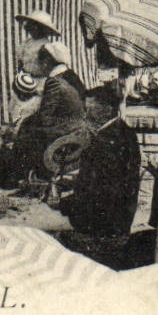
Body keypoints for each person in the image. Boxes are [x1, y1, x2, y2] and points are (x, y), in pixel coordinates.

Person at [61, 83, 141, 238]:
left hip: (103, 224)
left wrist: (66, 204)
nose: (86, 115)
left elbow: (100, 191)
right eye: (86, 109)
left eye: (91, 110)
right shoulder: (124, 130)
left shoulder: (107, 140)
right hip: (119, 220)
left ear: (108, 109)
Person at [6, 41, 87, 188]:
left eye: (41, 62)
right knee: (30, 125)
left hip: (66, 130)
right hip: (77, 128)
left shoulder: (53, 82)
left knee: (27, 128)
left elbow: (45, 117)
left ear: (48, 62)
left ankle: (18, 175)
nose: (40, 66)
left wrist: (27, 122)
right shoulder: (71, 76)